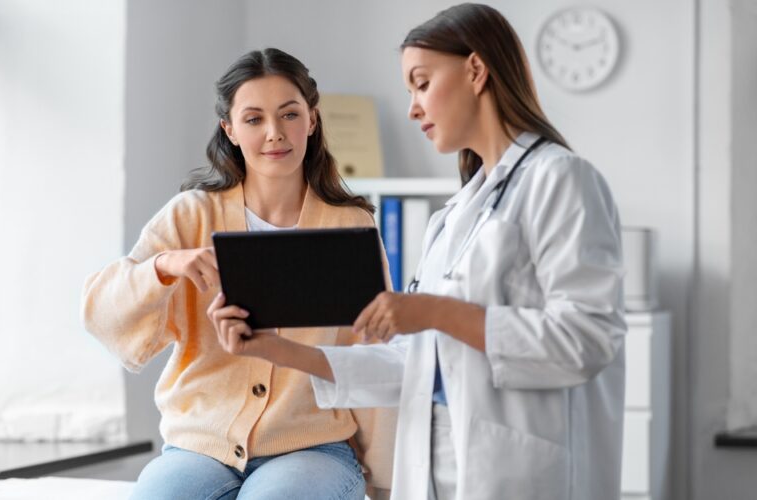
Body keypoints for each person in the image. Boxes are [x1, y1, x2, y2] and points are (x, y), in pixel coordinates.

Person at [209, 4, 626, 500]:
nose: (412, 108)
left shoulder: (560, 179)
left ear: (475, 70)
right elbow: (415, 363)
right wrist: (278, 350)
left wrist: (433, 312)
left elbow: (588, 337)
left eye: (422, 83)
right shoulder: (453, 216)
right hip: (443, 468)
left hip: (523, 471)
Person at [82, 48, 395, 500]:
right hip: (199, 445)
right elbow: (101, 314)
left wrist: (382, 480)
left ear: (312, 119)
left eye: (289, 114)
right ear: (229, 129)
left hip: (313, 449)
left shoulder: (349, 226)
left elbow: (372, 354)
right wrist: (164, 267)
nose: (275, 134)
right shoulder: (191, 215)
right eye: (253, 119)